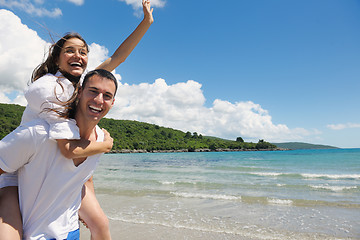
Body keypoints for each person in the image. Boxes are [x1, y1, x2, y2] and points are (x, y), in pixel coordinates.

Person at [0, 1, 154, 239]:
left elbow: (118, 58)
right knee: (12, 232)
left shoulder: (83, 87)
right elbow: (67, 148)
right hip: (19, 167)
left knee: (101, 224)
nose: (78, 55)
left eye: (83, 52)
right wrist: (106, 145)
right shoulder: (51, 88)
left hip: (61, 169)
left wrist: (145, 23)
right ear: (57, 58)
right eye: (70, 50)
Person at [0, 69, 117, 239]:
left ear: (113, 103)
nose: (99, 100)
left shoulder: (100, 139)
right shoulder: (39, 133)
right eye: (93, 91)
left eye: (107, 95)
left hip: (70, 231)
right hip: (34, 234)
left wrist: (94, 216)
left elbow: (85, 176)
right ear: (78, 93)